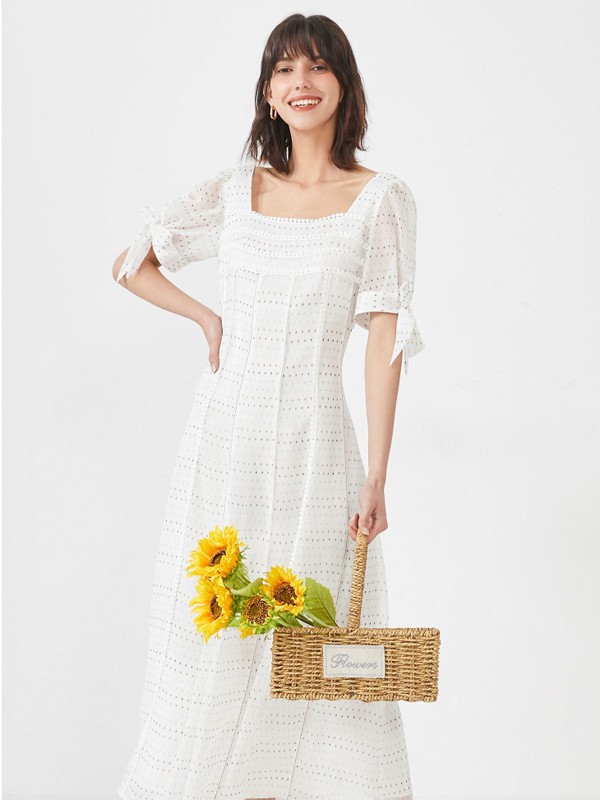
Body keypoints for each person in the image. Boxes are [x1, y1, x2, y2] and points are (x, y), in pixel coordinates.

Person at [112, 12, 425, 800]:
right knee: (219, 646)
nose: (301, 82)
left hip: (318, 448)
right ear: (267, 91)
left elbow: (384, 341)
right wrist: (206, 318)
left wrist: (378, 474)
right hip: (225, 444)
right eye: (284, 69)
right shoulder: (237, 190)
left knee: (311, 656)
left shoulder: (380, 199)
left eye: (317, 66)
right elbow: (130, 263)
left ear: (344, 85)